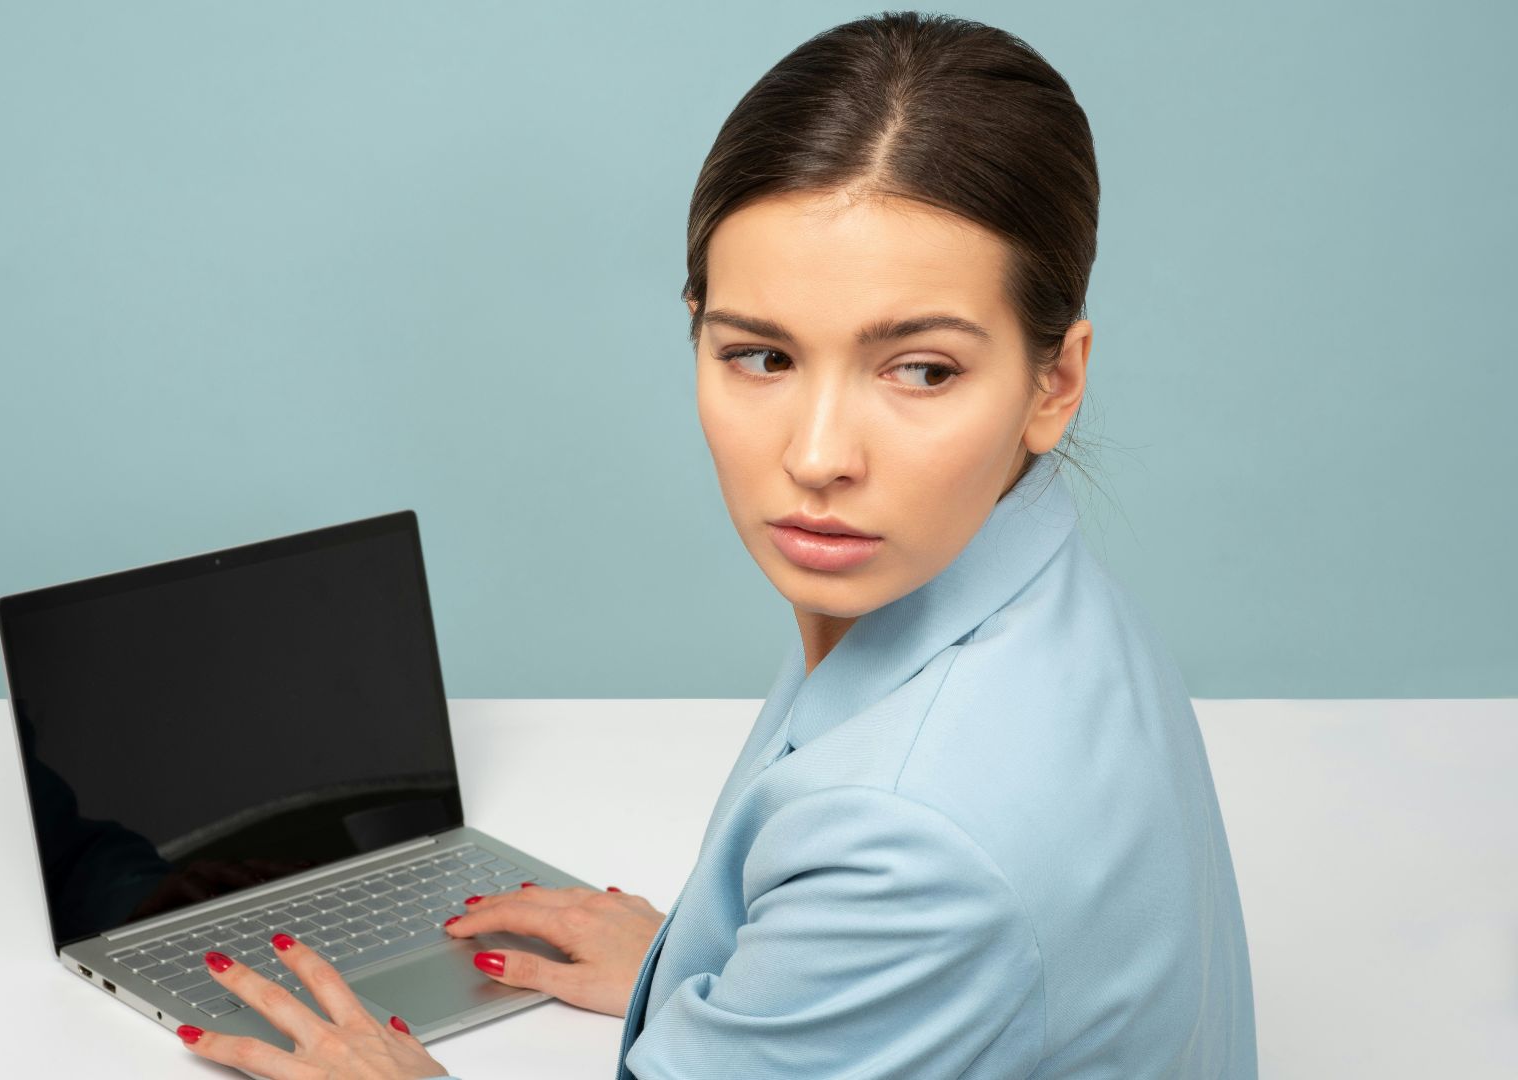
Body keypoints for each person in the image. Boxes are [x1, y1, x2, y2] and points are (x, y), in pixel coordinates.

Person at [174, 11, 1256, 1078]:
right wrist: (718, 972)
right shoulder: (1021, 574)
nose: (820, 456)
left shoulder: (907, 841)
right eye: (761, 356)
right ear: (697, 325)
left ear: (1052, 382)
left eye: (920, 369)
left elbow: (929, 858)